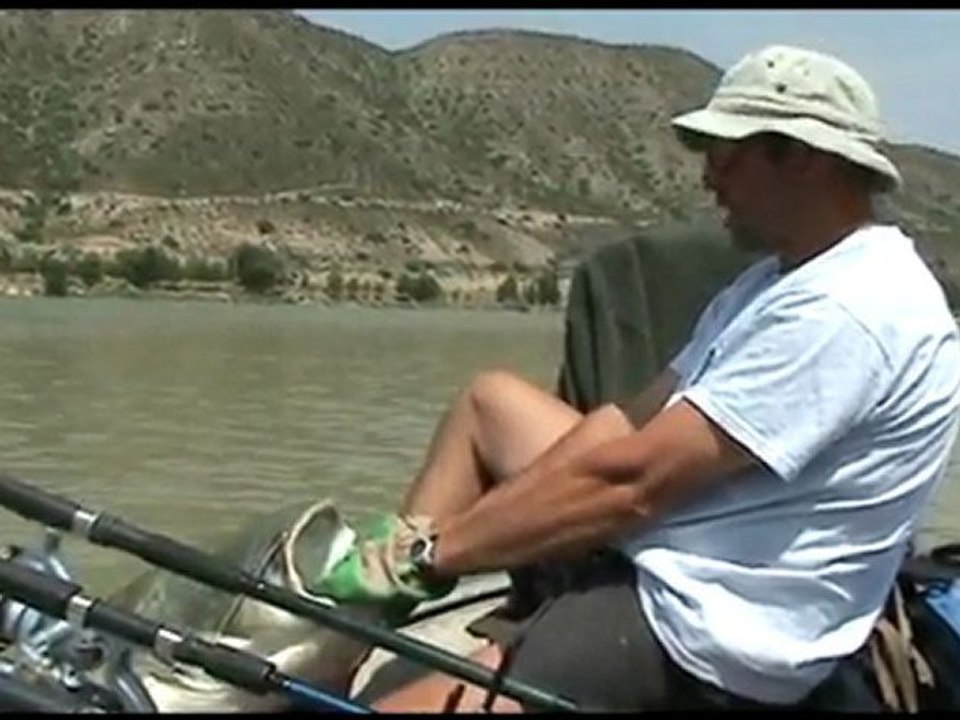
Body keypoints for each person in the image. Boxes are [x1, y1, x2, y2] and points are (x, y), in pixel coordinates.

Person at [311, 45, 960, 712]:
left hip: (706, 630)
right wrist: (448, 539)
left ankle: (408, 607)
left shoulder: (849, 309)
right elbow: (626, 423)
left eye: (726, 153)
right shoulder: (776, 280)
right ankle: (341, 638)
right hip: (690, 543)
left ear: (801, 157)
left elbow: (632, 486)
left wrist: (436, 554)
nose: (709, 178)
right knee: (491, 404)